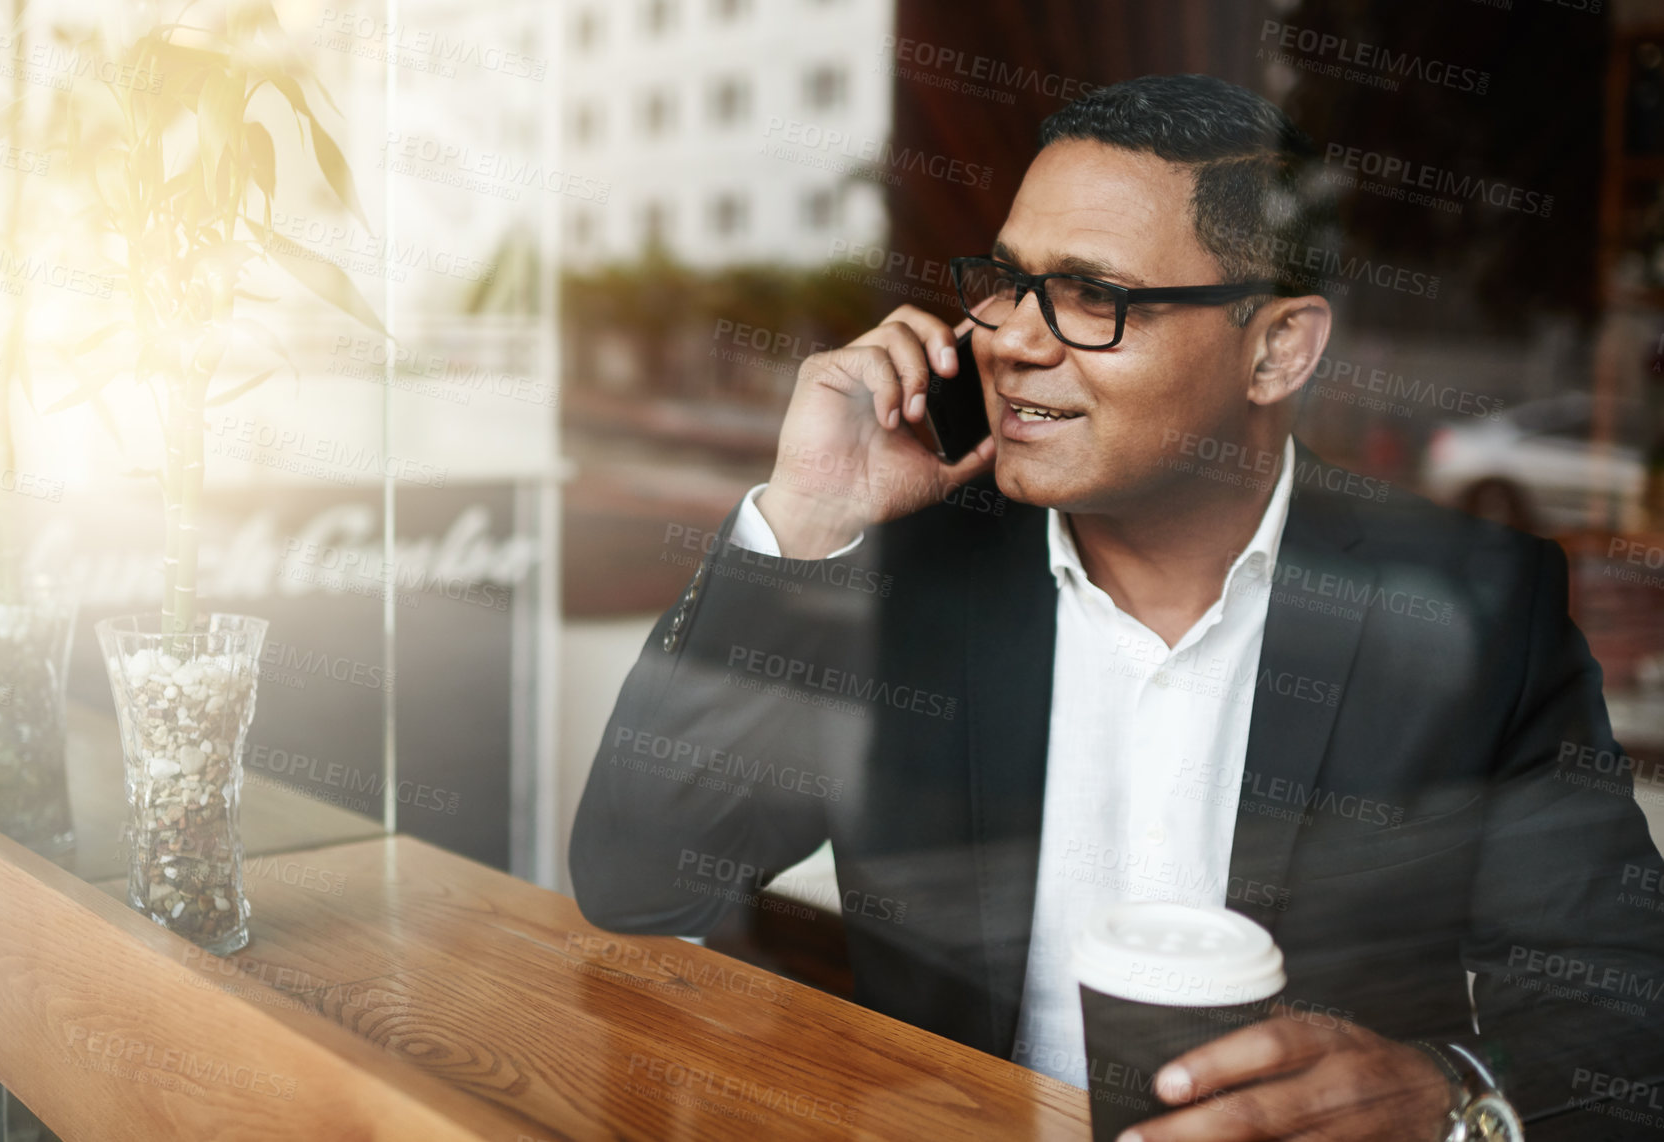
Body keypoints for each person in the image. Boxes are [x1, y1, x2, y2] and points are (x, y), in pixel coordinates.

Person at [570, 73, 1664, 1141]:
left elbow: (1625, 1003)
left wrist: (1449, 1094)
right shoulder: (901, 572)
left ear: (1278, 349)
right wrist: (803, 527)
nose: (1010, 336)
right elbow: (640, 879)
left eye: (1094, 296)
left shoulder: (1473, 607)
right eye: (1007, 280)